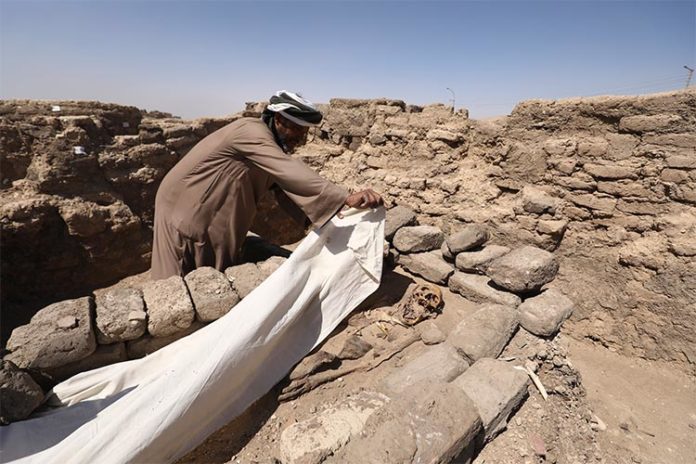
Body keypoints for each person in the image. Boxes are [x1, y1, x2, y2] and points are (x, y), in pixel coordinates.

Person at [151, 90, 383, 279]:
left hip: (210, 207)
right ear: (278, 119)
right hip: (185, 207)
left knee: (212, 272)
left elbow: (282, 187)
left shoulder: (269, 145)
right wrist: (344, 197)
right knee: (177, 278)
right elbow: (286, 169)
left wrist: (316, 219)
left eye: (305, 132)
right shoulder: (251, 131)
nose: (300, 138)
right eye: (297, 129)